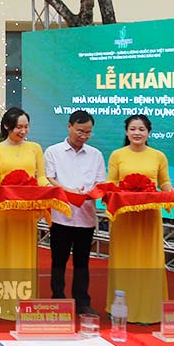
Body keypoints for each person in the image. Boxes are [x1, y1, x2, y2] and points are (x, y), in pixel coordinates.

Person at [106, 114, 174, 324]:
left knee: (149, 261)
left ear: (148, 133)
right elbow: (111, 183)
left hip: (149, 216)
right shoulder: (117, 155)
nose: (137, 133)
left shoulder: (158, 156)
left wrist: (170, 191)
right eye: (133, 129)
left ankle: (150, 310)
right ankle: (120, 308)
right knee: (123, 261)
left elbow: (164, 183)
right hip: (124, 218)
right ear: (127, 132)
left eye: (141, 129)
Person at [0, 107, 49, 321]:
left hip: (27, 212)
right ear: (6, 126)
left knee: (26, 257)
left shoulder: (35, 148)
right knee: (5, 256)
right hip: (5, 211)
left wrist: (52, 191)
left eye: (26, 127)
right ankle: (2, 303)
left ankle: (26, 303)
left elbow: (41, 178)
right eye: (18, 127)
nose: (23, 131)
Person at [44, 110, 106, 316]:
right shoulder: (53, 152)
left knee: (82, 261)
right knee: (58, 260)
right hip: (62, 214)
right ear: (69, 126)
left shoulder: (95, 154)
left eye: (88, 132)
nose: (84, 135)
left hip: (86, 216)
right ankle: (58, 299)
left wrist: (90, 192)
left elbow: (100, 182)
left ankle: (82, 302)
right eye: (80, 131)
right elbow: (49, 178)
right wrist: (68, 191)